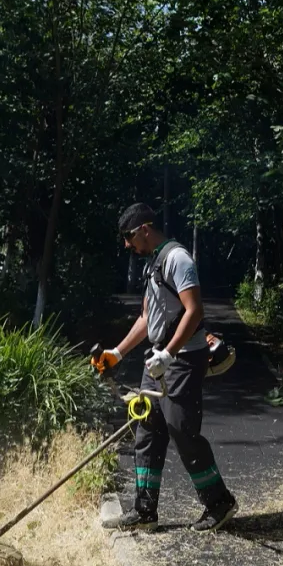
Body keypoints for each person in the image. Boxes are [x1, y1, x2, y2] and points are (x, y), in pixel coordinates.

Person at [95, 203, 238, 532]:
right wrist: (117, 353)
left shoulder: (178, 258)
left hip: (183, 359)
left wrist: (169, 355)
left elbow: (194, 310)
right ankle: (144, 510)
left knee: (181, 430)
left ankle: (219, 502)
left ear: (145, 229)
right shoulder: (153, 264)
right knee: (146, 429)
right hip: (159, 358)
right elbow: (147, 318)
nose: (126, 244)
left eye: (129, 236)